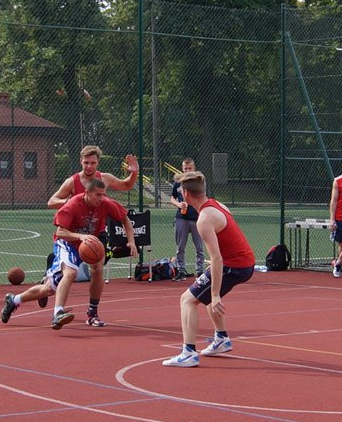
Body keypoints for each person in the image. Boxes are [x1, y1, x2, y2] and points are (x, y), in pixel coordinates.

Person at [0, 178, 137, 329]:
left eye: (103, 194)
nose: (101, 198)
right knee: (66, 276)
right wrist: (81, 236)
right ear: (87, 193)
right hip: (67, 243)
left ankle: (92, 313)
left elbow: (125, 218)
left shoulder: (105, 203)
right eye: (98, 195)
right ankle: (57, 313)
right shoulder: (72, 204)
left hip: (88, 243)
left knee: (94, 269)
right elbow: (60, 232)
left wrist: (131, 241)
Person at [162, 171, 255, 367]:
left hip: (234, 265)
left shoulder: (204, 219)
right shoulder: (217, 204)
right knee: (200, 294)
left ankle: (188, 352)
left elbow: (217, 258)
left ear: (185, 194)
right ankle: (221, 339)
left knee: (187, 299)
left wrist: (215, 295)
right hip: (243, 262)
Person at [47, 145, 139, 208]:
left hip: (99, 227)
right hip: (77, 229)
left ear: (98, 162)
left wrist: (134, 172)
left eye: (93, 163)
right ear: (81, 161)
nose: (89, 166)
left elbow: (127, 185)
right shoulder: (72, 181)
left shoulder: (105, 178)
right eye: (86, 163)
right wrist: (67, 202)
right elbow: (51, 202)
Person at [169, 158, 204, 280]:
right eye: (185, 168)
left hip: (196, 218)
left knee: (199, 247)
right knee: (180, 247)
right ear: (182, 169)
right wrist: (178, 204)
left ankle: (200, 271)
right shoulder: (178, 182)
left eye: (190, 168)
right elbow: (172, 198)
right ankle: (181, 271)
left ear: (194, 168)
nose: (187, 170)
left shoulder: (198, 183)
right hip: (182, 217)